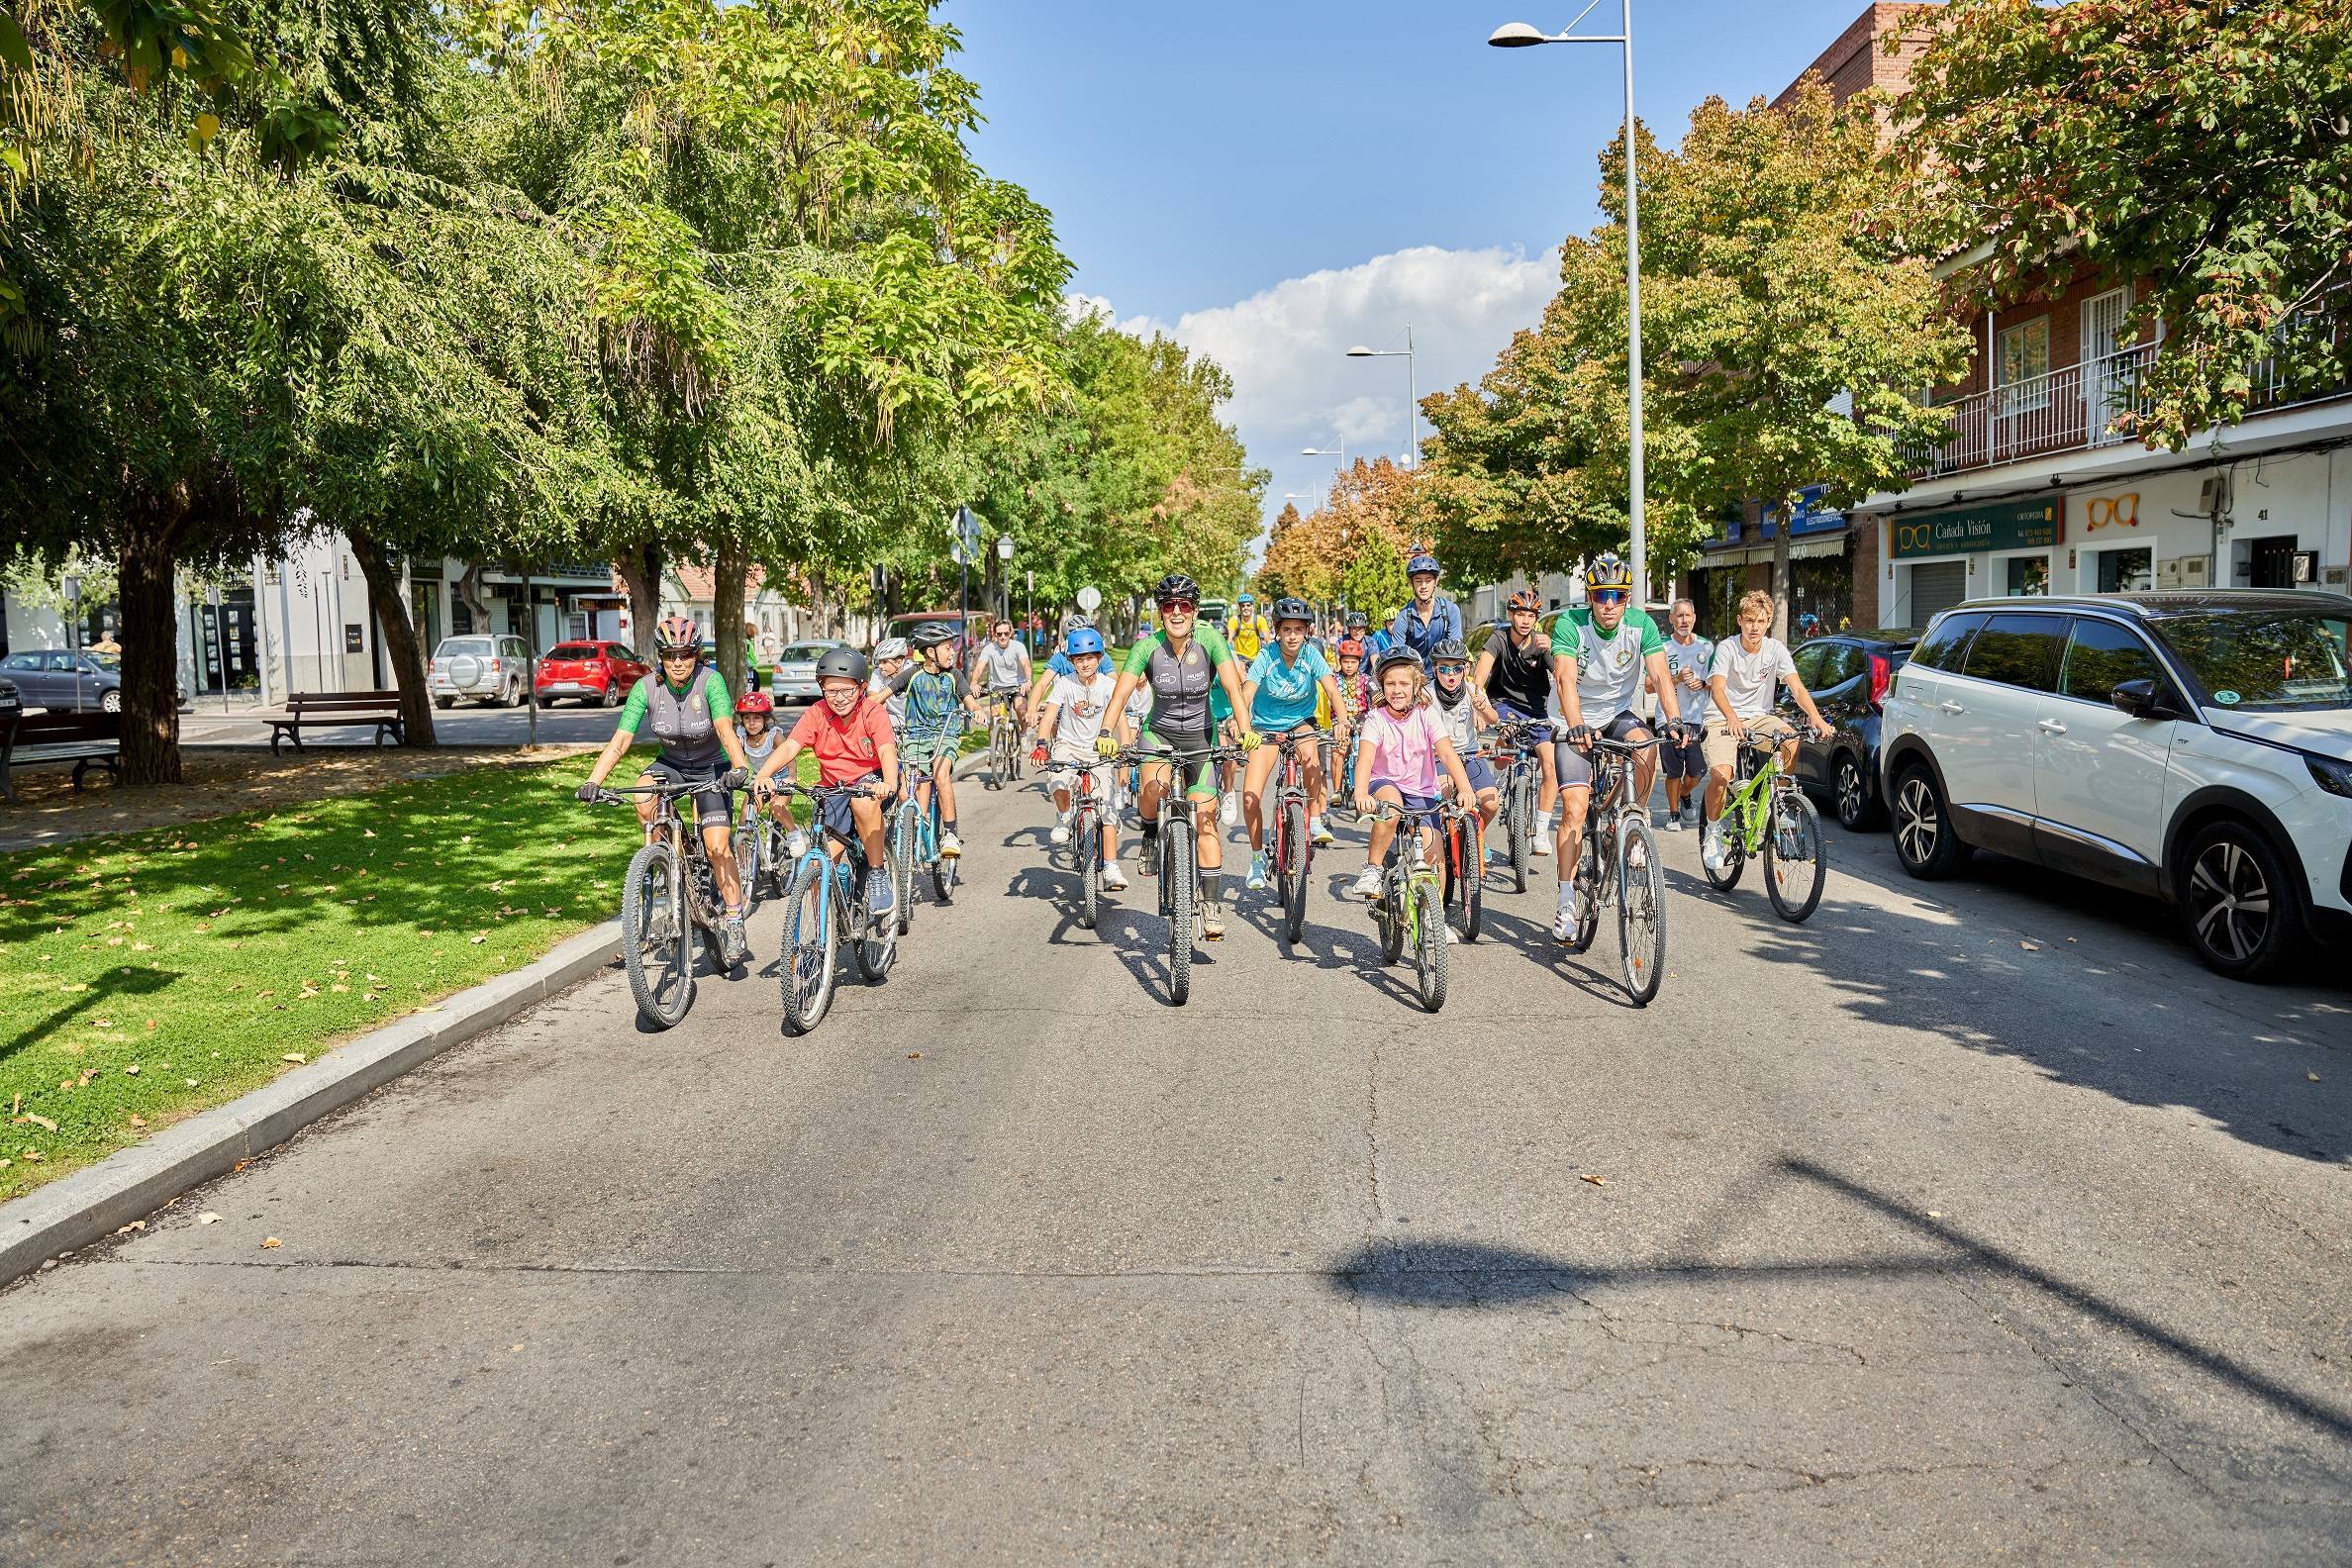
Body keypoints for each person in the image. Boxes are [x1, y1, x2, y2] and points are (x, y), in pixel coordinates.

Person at [575, 614, 755, 964]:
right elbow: (622, 739)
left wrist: (739, 767)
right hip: (670, 763)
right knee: (643, 798)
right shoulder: (646, 688)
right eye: (670, 655)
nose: (677, 662)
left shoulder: (711, 682)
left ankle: (733, 917)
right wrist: (594, 780)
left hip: (711, 765)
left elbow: (723, 728)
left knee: (717, 847)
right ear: (660, 656)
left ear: (695, 655)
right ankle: (667, 859)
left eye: (685, 654)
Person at [1095, 572, 1258, 940]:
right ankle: (1151, 834)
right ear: (1161, 612)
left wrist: (1245, 729)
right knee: (1153, 786)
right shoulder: (1147, 647)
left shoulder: (1211, 640)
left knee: (1206, 818)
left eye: (1184, 605)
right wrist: (1106, 732)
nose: (1177, 612)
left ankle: (1211, 906)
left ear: (1195, 610)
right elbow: (1120, 694)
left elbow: (1233, 688)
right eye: (1169, 606)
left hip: (1201, 735)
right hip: (1160, 733)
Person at [1548, 553, 1687, 942]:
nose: (1609, 604)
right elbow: (1565, 681)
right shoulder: (1570, 625)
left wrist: (1673, 720)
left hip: (1617, 713)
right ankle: (1565, 900)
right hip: (1573, 720)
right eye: (1601, 595)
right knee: (1575, 809)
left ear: (1628, 598)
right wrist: (1575, 725)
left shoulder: (1641, 624)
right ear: (1590, 597)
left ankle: (1632, 818)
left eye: (1618, 595)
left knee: (1646, 745)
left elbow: (1660, 675)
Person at [756, 647, 898, 919]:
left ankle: (878, 873)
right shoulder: (817, 713)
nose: (839, 698)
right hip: (834, 788)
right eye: (832, 691)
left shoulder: (872, 713)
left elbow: (886, 750)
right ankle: (824, 933)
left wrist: (888, 782)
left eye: (847, 691)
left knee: (863, 800)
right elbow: (790, 747)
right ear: (821, 688)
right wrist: (764, 774)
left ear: (862, 688)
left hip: (872, 781)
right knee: (821, 865)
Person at [1702, 590, 1831, 876]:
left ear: (1769, 621)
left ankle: (1782, 806)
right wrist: (1731, 717)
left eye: (1760, 621)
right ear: (1739, 621)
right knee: (1722, 775)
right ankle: (1712, 831)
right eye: (1749, 620)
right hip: (1722, 718)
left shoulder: (1775, 650)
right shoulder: (1727, 648)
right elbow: (1718, 688)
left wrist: (1817, 718)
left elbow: (1796, 688)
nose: (1754, 627)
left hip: (1759, 718)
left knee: (1791, 739)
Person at [1350, 648, 1475, 922]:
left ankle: (1434, 920)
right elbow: (1365, 758)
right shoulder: (1376, 719)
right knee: (1391, 807)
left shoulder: (1426, 715)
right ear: (1382, 686)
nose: (1397, 690)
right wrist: (1360, 792)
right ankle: (1373, 869)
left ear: (1416, 684)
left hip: (1422, 790)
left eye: (1404, 683)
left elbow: (1447, 752)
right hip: (1384, 783)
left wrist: (1464, 788)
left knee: (1436, 857)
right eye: (1391, 683)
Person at [1239, 596, 1345, 890]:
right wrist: (1239, 720)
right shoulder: (1266, 656)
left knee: (1311, 757)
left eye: (1299, 630)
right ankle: (1257, 859)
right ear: (1277, 630)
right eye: (1287, 629)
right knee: (1250, 795)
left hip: (1301, 720)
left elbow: (1331, 689)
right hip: (1265, 726)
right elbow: (1248, 691)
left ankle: (1313, 820)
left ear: (1307, 632)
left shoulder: (1311, 655)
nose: (1292, 636)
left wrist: (1343, 720)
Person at [1031, 628, 1128, 891]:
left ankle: (1111, 867)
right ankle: (1064, 814)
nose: (1085, 664)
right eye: (1079, 659)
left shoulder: (1109, 686)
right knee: (1059, 780)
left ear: (1099, 658)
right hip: (1068, 745)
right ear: (1071, 662)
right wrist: (1042, 744)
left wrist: (1127, 748)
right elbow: (1050, 716)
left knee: (1107, 808)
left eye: (1090, 658)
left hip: (1099, 749)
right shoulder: (1065, 684)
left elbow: (1120, 719)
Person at [1471, 587, 1559, 856]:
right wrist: (1478, 702)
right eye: (1520, 614)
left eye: (1531, 615)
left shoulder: (1542, 645)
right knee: (1506, 739)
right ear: (1511, 614)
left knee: (1550, 764)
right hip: (1504, 704)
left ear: (1536, 619)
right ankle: (1499, 778)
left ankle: (1541, 829)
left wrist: (1555, 650)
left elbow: (1563, 675)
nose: (1525, 620)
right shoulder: (1498, 639)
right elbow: (1480, 674)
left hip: (1537, 709)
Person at [891, 624, 983, 859]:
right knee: (905, 790)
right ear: (930, 652)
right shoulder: (912, 674)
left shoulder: (954, 675)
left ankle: (950, 834)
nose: (952, 652)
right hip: (916, 738)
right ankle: (919, 826)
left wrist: (977, 710)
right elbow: (879, 697)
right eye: (947, 647)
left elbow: (969, 700)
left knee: (940, 776)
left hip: (945, 735)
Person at [1428, 638, 1502, 863]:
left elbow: (1494, 719)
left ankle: (1477, 834)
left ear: (1465, 669)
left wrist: (1484, 709)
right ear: (1435, 669)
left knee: (1490, 801)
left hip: (1470, 754)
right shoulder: (1426, 694)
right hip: (1438, 757)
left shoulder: (1472, 690)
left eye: (1457, 668)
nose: (1451, 675)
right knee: (1445, 798)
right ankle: (1443, 844)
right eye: (1444, 669)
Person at [1657, 599, 1715, 832]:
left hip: (1697, 718)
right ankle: (1673, 815)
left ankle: (1684, 794)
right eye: (1678, 616)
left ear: (1694, 617)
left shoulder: (1707, 647)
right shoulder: (1662, 647)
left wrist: (1701, 683)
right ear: (1671, 619)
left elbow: (1716, 682)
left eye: (1687, 616)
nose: (1683, 620)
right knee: (1674, 771)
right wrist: (1678, 679)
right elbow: (1652, 685)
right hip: (1669, 718)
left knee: (1698, 772)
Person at [1387, 552, 1465, 670]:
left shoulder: (1451, 611)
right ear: (1411, 583)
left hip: (1443, 675)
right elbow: (1397, 656)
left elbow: (1455, 652)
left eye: (1428, 580)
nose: (1423, 586)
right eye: (1418, 581)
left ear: (1435, 582)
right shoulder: (1403, 617)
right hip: (1414, 676)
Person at [976, 619, 1033, 730]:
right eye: (999, 634)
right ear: (995, 635)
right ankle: (994, 743)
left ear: (1011, 633)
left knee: (1021, 709)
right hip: (997, 688)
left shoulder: (1018, 646)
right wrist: (974, 683)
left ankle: (1023, 734)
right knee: (994, 715)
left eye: (1006, 633)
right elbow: (979, 667)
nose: (1003, 637)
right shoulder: (989, 648)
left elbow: (1026, 664)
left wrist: (1028, 680)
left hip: (1017, 686)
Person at [1228, 593, 1268, 661]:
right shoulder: (1234, 620)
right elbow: (1229, 640)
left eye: (1248, 605)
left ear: (1252, 606)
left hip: (1255, 659)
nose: (1245, 608)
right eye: (1243, 606)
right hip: (1239, 658)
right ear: (1240, 607)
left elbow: (1268, 639)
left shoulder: (1260, 619)